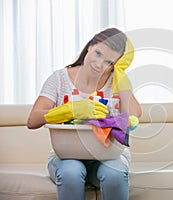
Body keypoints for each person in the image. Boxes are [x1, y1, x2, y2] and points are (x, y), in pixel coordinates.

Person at [27, 28, 142, 200]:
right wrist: (70, 110)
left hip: (109, 156)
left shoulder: (117, 81)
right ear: (90, 46)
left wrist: (121, 78)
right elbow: (32, 120)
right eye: (98, 53)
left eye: (109, 62)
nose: (98, 64)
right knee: (71, 172)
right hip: (66, 157)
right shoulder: (59, 79)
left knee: (114, 173)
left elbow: (133, 116)